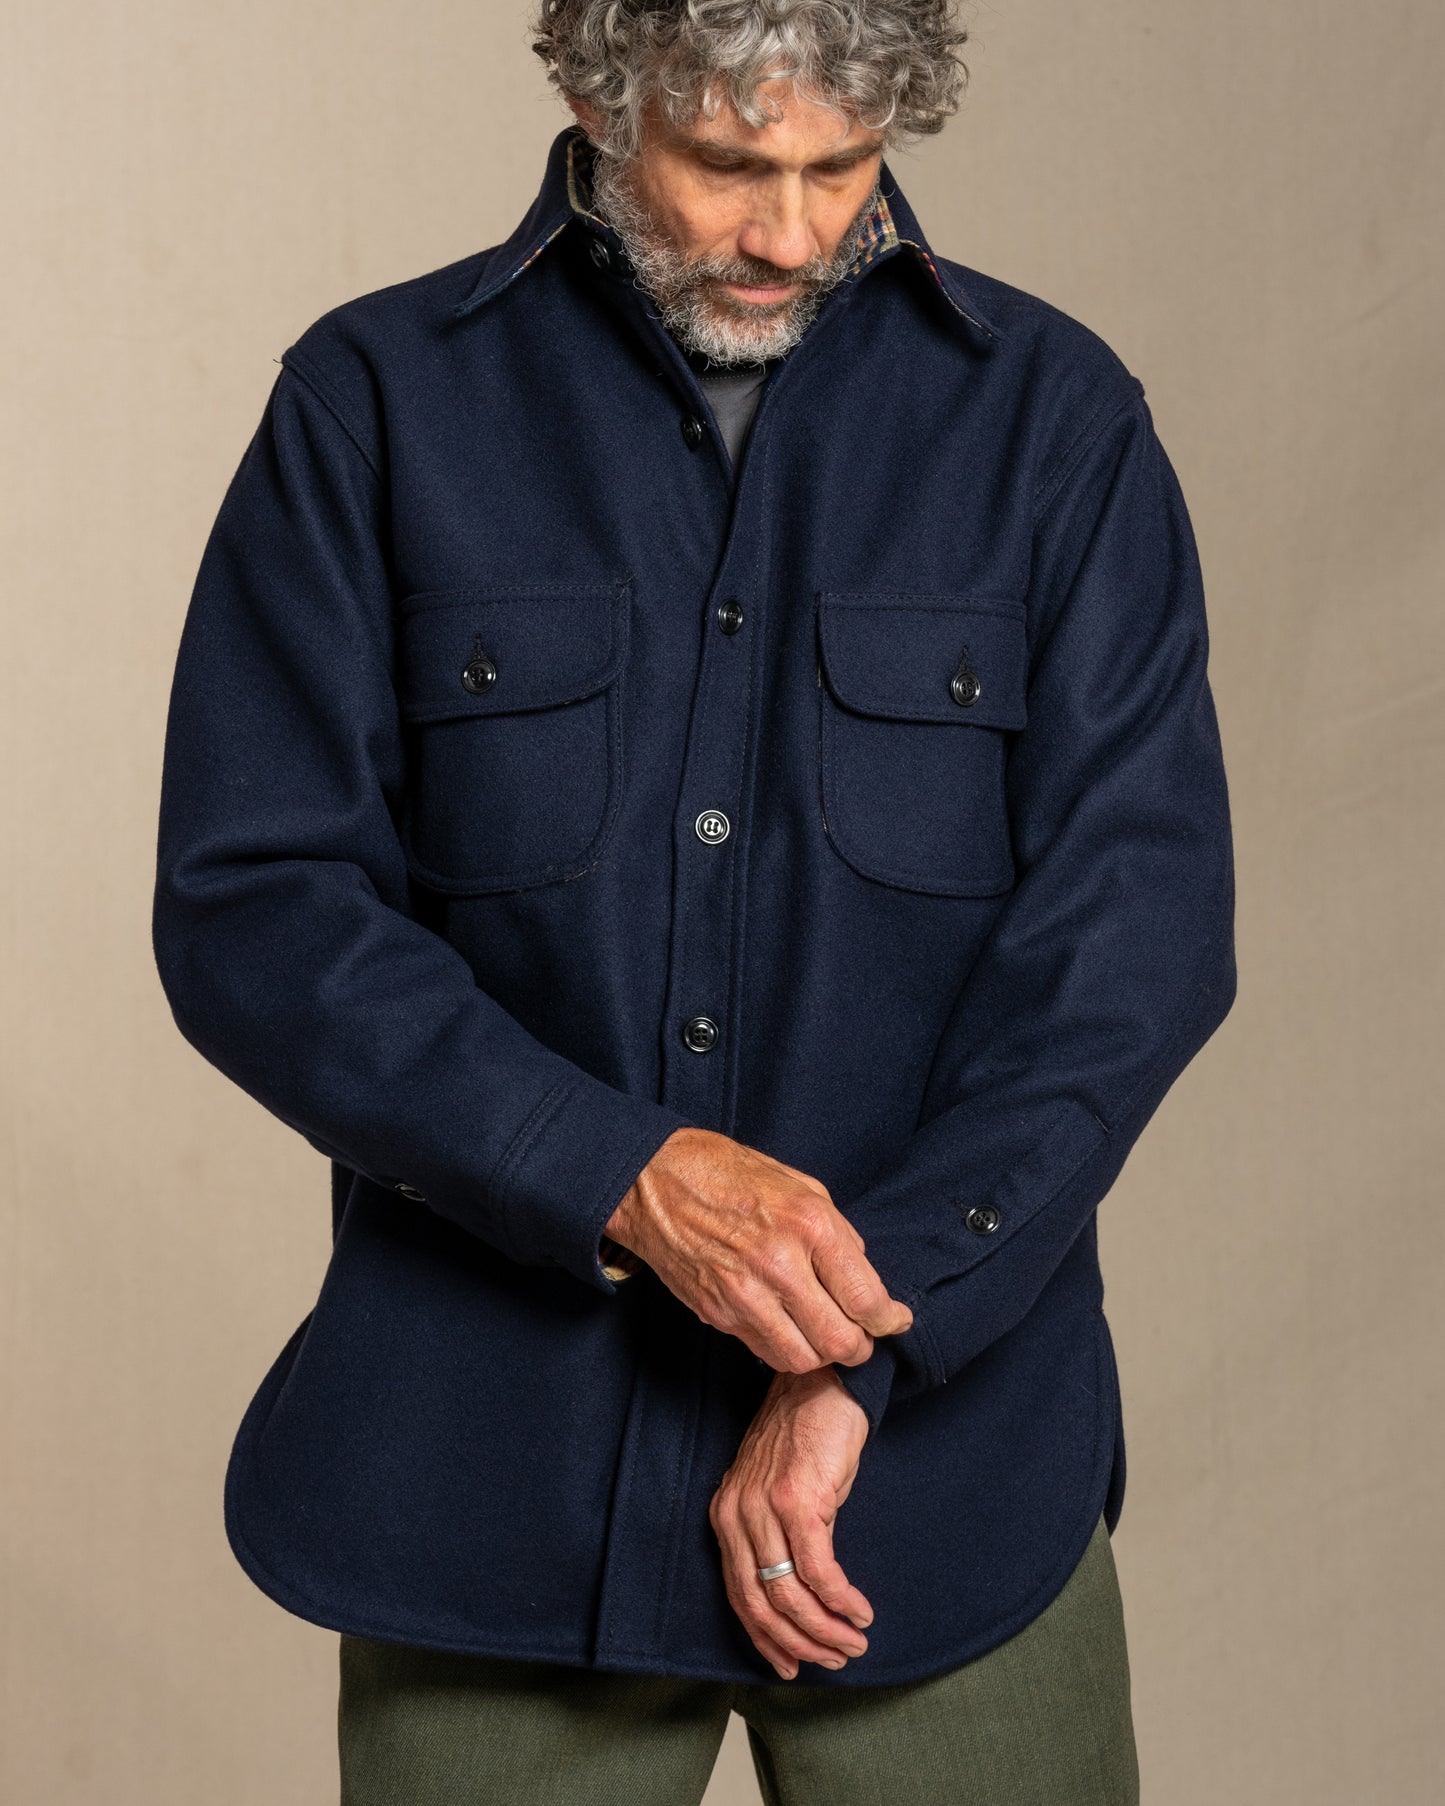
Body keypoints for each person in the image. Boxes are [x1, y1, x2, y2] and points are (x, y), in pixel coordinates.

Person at [151, 2, 1236, 1800]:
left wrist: (856, 1344)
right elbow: (260, 907)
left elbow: (1132, 950)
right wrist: (622, 1175)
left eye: (842, 168)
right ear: (595, 96)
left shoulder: (1056, 426)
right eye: (730, 163)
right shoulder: (373, 404)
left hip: (944, 1485)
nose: (792, 231)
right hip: (483, 1485)